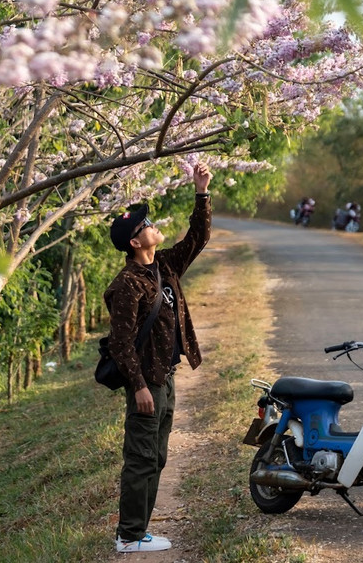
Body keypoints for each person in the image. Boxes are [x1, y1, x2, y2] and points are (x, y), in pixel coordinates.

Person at [103, 163, 212, 553]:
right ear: (135, 242)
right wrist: (139, 387)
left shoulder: (163, 266)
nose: (152, 224)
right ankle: (129, 536)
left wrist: (201, 193)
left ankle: (138, 531)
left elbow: (198, 239)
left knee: (158, 457)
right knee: (141, 458)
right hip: (147, 383)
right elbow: (120, 344)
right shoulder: (127, 285)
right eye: (145, 224)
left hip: (165, 377)